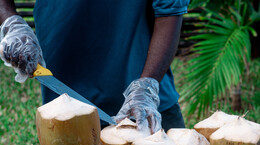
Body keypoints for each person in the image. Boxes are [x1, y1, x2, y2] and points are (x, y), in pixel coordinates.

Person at [0, 0, 189, 133]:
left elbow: (169, 13)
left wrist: (147, 86)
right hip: (64, 112)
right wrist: (11, 23)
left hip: (144, 110)